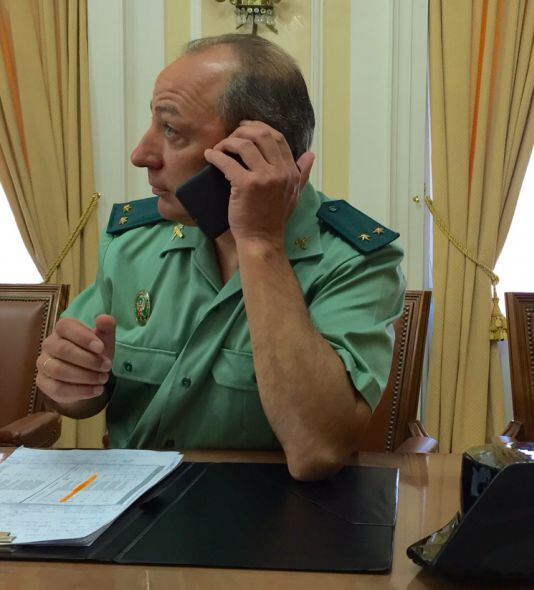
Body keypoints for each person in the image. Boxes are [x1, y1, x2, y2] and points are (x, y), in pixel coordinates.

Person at [34, 34, 405, 481]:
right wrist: (71, 384)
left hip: (271, 526)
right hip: (130, 513)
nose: (141, 155)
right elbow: (81, 393)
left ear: (251, 149)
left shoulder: (356, 260)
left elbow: (317, 451)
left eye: (171, 130)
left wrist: (260, 244)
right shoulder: (135, 242)